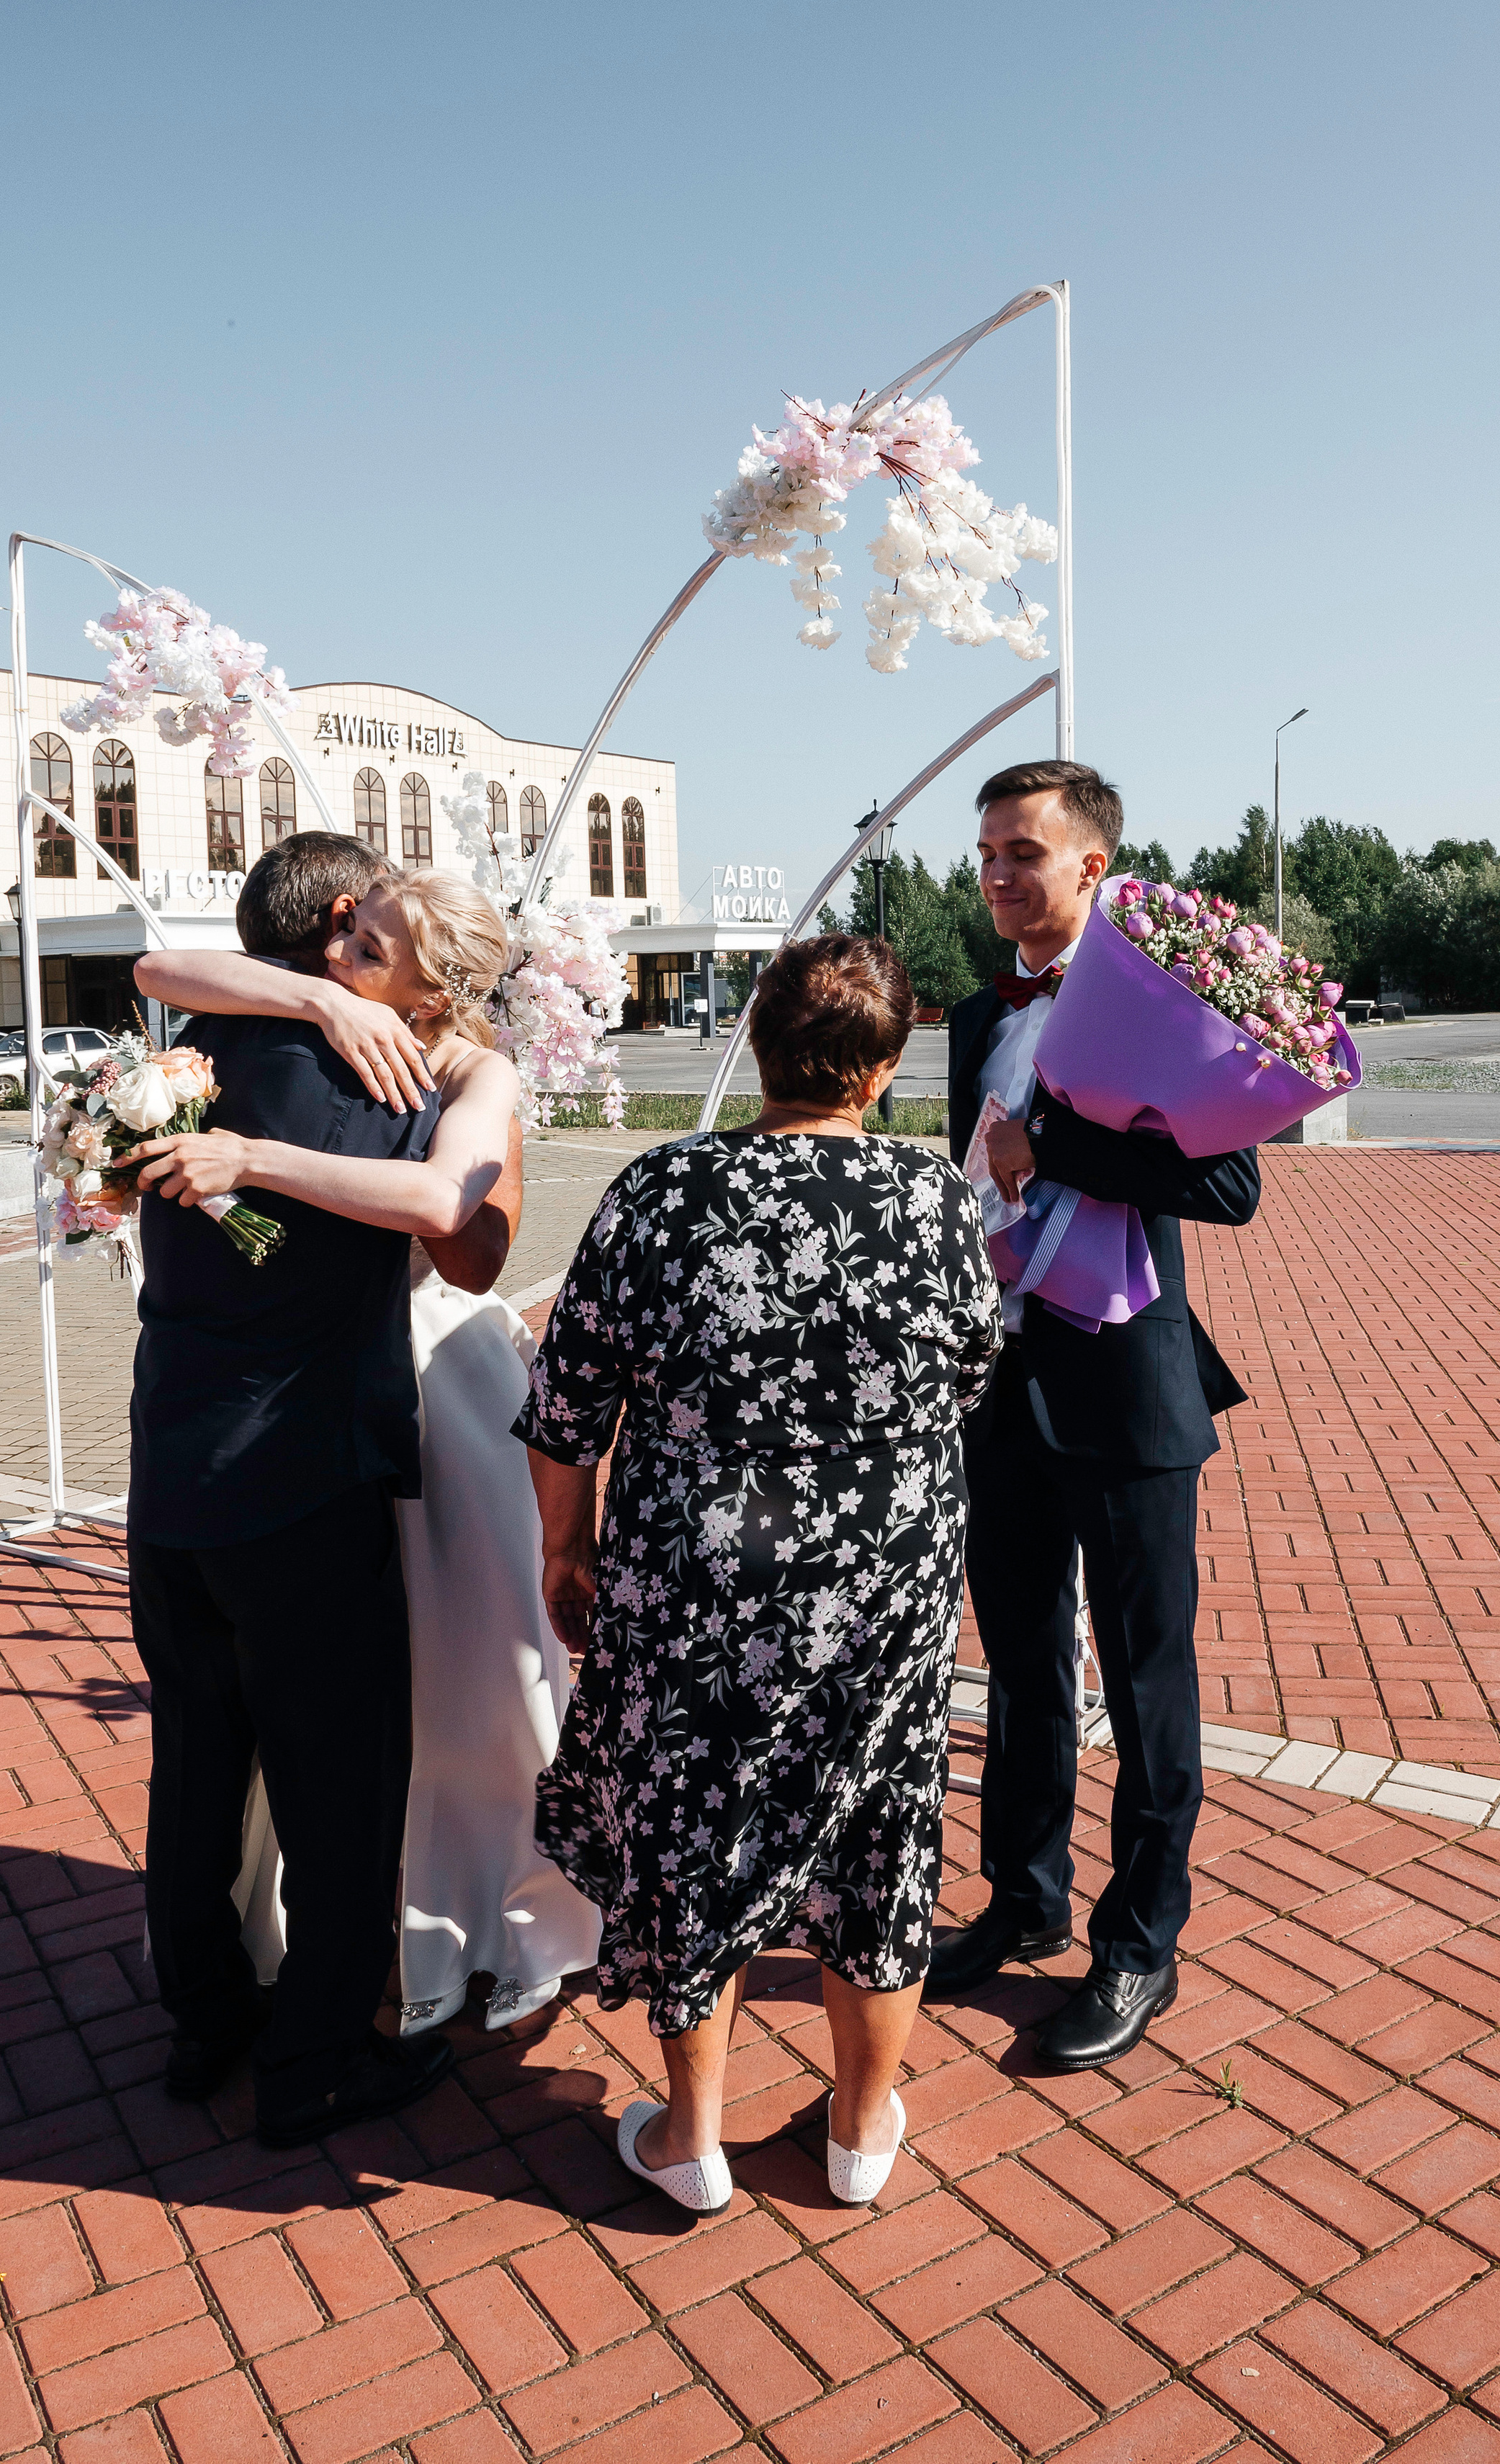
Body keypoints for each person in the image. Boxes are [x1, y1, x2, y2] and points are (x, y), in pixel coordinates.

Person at [518, 936, 1002, 2215]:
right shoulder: (937, 1199)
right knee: (879, 1829)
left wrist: (564, 1548)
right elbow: (970, 1373)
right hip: (883, 1577)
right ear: (884, 1071)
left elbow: (567, 1407)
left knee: (694, 1823)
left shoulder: (662, 1190)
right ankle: (859, 2131)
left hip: (699, 1572)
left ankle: (692, 2139)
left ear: (758, 1040)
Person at [134, 843, 600, 2048]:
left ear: (435, 992)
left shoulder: (472, 1069)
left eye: (367, 946)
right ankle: (307, 1954)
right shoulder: (305, 1015)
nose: (338, 954)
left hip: (430, 1380)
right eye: (345, 933)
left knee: (470, 1673)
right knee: (317, 1701)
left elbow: (461, 1225)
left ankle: (478, 1910)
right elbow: (156, 968)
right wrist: (327, 1003)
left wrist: (252, 1157)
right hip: (315, 1395)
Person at [925, 761, 1262, 2071]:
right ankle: (1024, 1898)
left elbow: (1229, 1188)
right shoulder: (979, 1013)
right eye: (988, 854)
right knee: (1020, 1663)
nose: (999, 875)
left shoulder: (1160, 1003)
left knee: (1144, 1675)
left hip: (1124, 1389)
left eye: (1024, 852)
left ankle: (1140, 1943)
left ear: (1091, 866)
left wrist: (1052, 1150)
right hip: (1000, 1382)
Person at [122, 832, 453, 2148]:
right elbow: (455, 1221)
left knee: (195, 1767)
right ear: (338, 924)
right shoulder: (390, 1072)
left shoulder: (185, 1064)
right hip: (303, 1485)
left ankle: (205, 2021)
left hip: (170, 1477)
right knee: (336, 1791)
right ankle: (312, 2061)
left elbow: (158, 965)